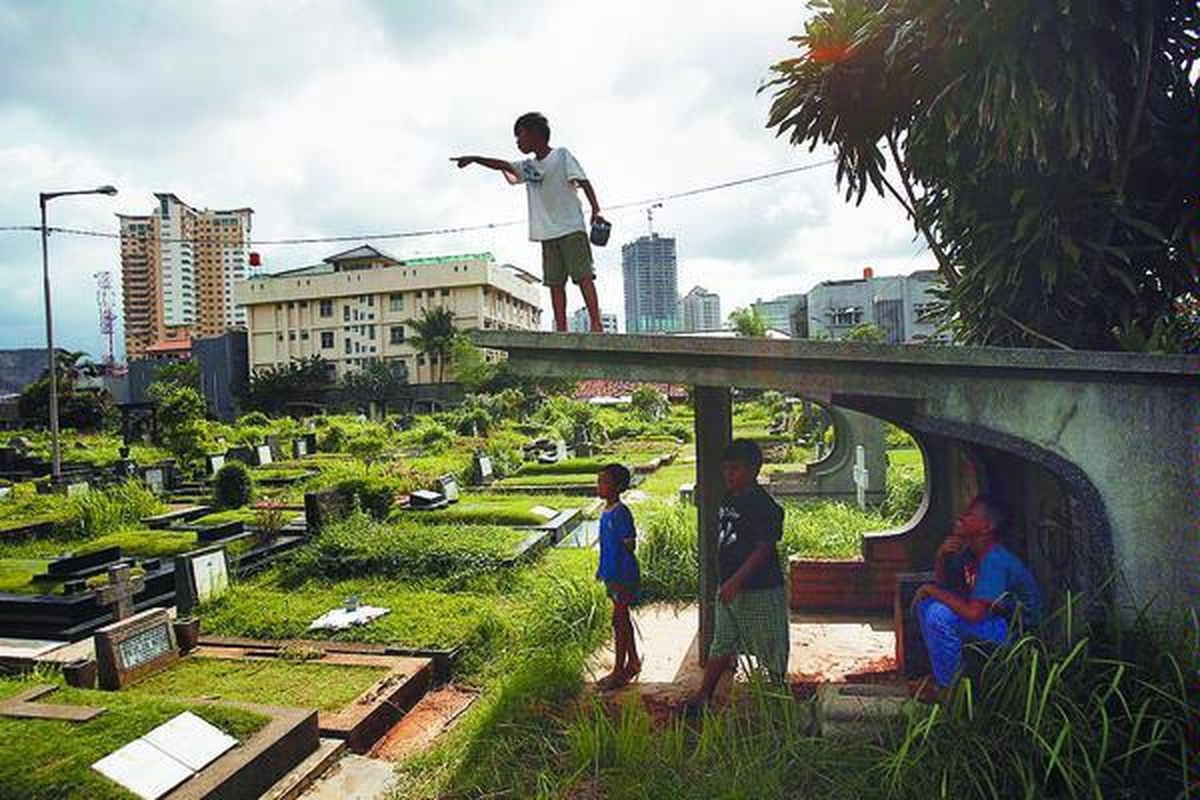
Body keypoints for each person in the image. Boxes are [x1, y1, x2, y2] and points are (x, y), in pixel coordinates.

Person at [451, 112, 608, 332]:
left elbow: (583, 181)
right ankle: (561, 329)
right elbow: (503, 165)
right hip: (547, 233)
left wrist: (596, 210)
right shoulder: (528, 166)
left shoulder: (561, 155)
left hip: (571, 227)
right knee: (555, 283)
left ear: (535, 133)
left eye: (520, 135)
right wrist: (476, 159)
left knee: (583, 276)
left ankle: (596, 324)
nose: (518, 141)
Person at [684, 439, 788, 715]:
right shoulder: (730, 497)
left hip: (760, 588)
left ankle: (778, 701)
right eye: (726, 469)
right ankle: (703, 696)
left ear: (754, 469)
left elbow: (764, 549)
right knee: (722, 641)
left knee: (771, 647)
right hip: (731, 586)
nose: (728, 474)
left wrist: (736, 580)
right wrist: (726, 580)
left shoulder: (764, 506)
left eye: (735, 469)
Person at [912, 494, 1044, 691]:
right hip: (993, 620)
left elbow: (974, 614)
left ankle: (950, 690)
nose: (961, 518)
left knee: (939, 616)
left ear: (987, 527)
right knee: (927, 606)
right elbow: (944, 586)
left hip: (1016, 634)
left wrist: (930, 589)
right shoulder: (972, 552)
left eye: (969, 514)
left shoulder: (994, 560)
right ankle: (944, 676)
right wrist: (941, 557)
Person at [595, 463, 641, 689]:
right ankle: (632, 661)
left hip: (623, 574)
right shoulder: (607, 511)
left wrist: (622, 545)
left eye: (604, 482)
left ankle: (619, 671)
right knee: (622, 619)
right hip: (612, 574)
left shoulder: (620, 512)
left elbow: (630, 544)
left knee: (619, 621)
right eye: (599, 481)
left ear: (618, 486)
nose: (599, 486)